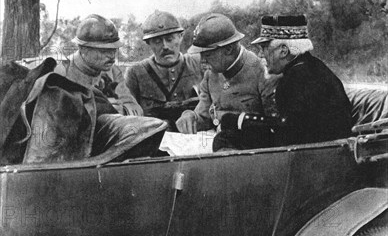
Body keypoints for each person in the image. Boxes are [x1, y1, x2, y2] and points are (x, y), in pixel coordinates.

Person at [222, 15, 352, 147]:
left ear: (283, 51)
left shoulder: (294, 80)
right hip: (331, 149)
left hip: (319, 155)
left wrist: (242, 120)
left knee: (226, 138)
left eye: (264, 48)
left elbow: (291, 131)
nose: (261, 55)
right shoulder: (315, 67)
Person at [176, 13, 278, 151]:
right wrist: (190, 116)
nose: (203, 61)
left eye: (207, 55)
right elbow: (204, 115)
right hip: (217, 147)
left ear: (228, 49)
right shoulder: (210, 75)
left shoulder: (262, 72)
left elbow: (275, 128)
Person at [125, 11, 202, 130]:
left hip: (195, 135)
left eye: (169, 39)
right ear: (148, 43)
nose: (165, 46)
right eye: (157, 41)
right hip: (156, 141)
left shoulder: (199, 64)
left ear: (180, 37)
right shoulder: (135, 73)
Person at [56, 14, 143, 116]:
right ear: (82, 49)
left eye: (113, 50)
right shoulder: (61, 72)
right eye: (103, 51)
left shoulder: (113, 71)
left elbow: (128, 101)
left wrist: (126, 107)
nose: (111, 56)